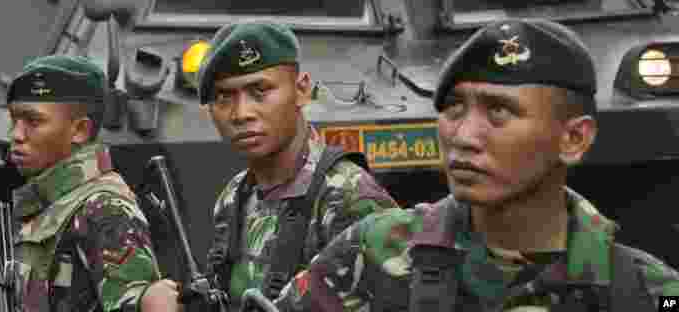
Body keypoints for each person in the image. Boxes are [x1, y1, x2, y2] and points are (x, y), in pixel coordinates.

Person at [266, 18, 679, 311]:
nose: (463, 136)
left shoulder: (646, 290)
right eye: (453, 109)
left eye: (499, 112)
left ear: (574, 138)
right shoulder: (374, 253)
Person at [143, 21, 398, 311]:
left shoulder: (350, 199)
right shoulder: (235, 196)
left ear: (301, 91)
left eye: (260, 91)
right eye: (224, 97)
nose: (241, 113)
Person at [0, 55, 161, 312]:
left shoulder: (105, 208)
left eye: (33, 121)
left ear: (80, 131)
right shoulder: (46, 201)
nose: (16, 136)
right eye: (15, 120)